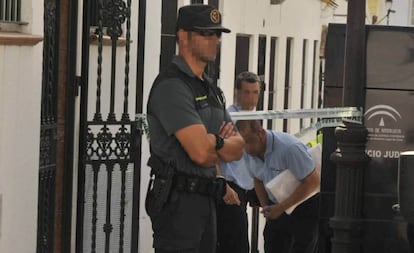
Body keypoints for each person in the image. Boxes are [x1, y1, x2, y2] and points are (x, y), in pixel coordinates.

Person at [145, 4, 245, 253]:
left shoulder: (209, 88)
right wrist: (219, 143)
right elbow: (200, 154)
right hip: (178, 203)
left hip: (207, 199)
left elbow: (239, 147)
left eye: (217, 34)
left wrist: (214, 143)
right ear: (183, 36)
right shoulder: (172, 86)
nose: (214, 41)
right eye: (205, 33)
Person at [236, 119, 320, 253]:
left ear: (261, 133)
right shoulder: (248, 153)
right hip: (276, 205)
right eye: (242, 143)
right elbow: (257, 179)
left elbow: (313, 182)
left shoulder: (289, 148)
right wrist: (266, 206)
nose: (247, 148)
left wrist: (280, 208)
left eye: (249, 141)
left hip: (303, 206)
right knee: (272, 243)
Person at [216, 71, 261, 253]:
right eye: (247, 92)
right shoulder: (229, 119)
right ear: (238, 93)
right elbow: (214, 150)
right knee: (236, 245)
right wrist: (222, 185)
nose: (251, 98)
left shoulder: (256, 117)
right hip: (230, 187)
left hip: (245, 188)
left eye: (255, 92)